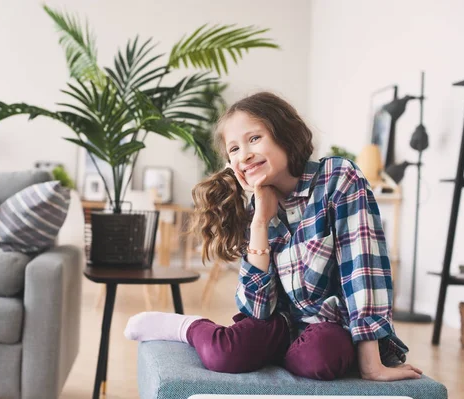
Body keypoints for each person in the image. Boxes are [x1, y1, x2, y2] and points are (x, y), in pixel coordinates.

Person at [124, 92, 422, 382]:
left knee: (319, 357)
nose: (246, 155)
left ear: (285, 134)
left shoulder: (338, 179)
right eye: (234, 149)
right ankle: (186, 327)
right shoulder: (252, 206)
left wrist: (371, 364)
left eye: (254, 138)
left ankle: (285, 353)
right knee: (223, 356)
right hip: (281, 323)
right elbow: (256, 310)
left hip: (334, 326)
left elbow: (362, 271)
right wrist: (259, 223)